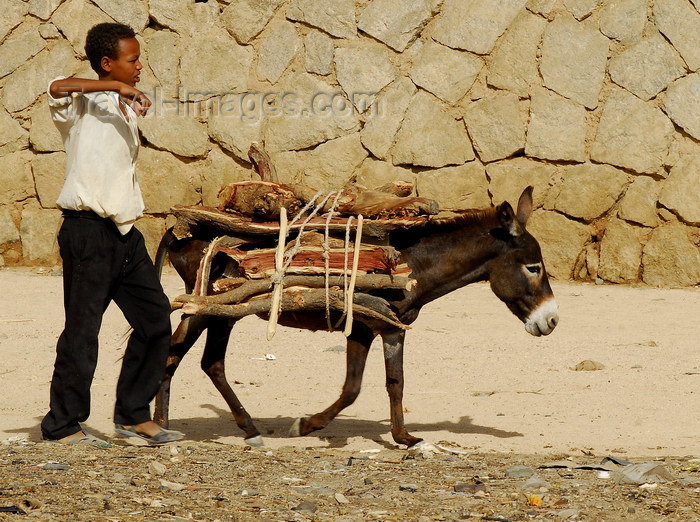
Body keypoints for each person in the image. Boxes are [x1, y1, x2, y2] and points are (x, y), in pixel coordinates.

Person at [41, 22, 183, 447]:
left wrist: (122, 97)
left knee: (156, 319)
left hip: (124, 233)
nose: (140, 66)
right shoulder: (80, 104)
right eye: (132, 59)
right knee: (83, 331)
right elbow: (56, 85)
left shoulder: (121, 106)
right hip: (87, 231)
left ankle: (133, 414)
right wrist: (114, 90)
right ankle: (62, 425)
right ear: (107, 63)